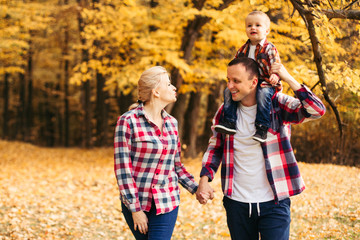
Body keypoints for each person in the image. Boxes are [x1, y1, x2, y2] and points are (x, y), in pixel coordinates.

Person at [196, 57, 326, 240]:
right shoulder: (225, 112)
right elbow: (215, 147)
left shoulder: (277, 105)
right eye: (228, 80)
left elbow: (317, 110)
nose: (230, 86)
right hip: (237, 203)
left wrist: (288, 77)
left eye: (236, 81)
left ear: (253, 82)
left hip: (274, 202)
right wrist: (204, 178)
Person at [114, 66, 199, 240]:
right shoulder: (127, 121)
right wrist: (135, 209)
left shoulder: (172, 123)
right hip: (137, 202)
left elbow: (176, 166)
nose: (174, 87)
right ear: (156, 92)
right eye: (168, 84)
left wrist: (196, 189)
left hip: (167, 200)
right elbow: (123, 170)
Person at [214, 11, 282, 142]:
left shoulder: (269, 48)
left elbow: (276, 64)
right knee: (228, 91)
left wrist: (274, 75)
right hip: (246, 82)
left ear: (267, 31)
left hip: (265, 82)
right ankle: (229, 122)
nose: (253, 28)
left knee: (263, 95)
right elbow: (235, 64)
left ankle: (262, 127)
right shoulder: (243, 49)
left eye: (258, 25)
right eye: (249, 25)